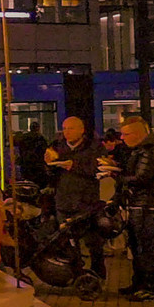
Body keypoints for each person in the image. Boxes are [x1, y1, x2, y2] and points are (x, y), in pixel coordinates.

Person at [102, 117, 154, 301]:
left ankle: (150, 288)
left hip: (147, 204)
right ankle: (140, 284)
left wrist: (117, 174)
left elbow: (141, 178)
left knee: (146, 246)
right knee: (138, 245)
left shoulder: (149, 151)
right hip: (140, 203)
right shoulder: (143, 150)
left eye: (126, 134)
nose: (122, 138)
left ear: (138, 134)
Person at [45, 116, 103, 276]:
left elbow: (97, 170)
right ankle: (76, 273)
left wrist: (74, 166)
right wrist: (49, 165)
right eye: (64, 129)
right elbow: (51, 175)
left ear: (81, 130)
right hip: (64, 200)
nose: (66, 132)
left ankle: (98, 273)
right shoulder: (58, 147)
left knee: (93, 241)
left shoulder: (94, 148)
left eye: (70, 129)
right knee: (67, 241)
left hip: (87, 201)